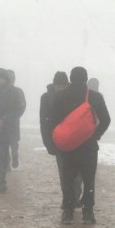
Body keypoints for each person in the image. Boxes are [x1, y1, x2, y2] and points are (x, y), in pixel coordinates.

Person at [49, 66, 110, 224]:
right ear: (85, 78)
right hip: (88, 147)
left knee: (68, 179)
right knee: (89, 179)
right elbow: (106, 119)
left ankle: (68, 212)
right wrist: (95, 135)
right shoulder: (95, 96)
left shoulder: (61, 96)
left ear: (71, 78)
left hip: (67, 147)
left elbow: (53, 120)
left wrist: (61, 137)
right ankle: (88, 212)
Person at [40, 72, 82, 208]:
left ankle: (75, 195)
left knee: (77, 171)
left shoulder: (74, 95)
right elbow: (44, 122)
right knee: (64, 171)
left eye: (63, 85)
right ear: (54, 85)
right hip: (58, 140)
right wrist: (48, 142)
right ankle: (68, 198)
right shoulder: (46, 98)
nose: (61, 88)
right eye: (58, 86)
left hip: (76, 139)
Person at [7, 69, 26, 169]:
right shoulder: (19, 91)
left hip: (9, 122)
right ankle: (13, 156)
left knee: (6, 143)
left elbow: (22, 106)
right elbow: (23, 106)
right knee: (13, 142)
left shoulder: (16, 91)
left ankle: (9, 160)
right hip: (13, 121)